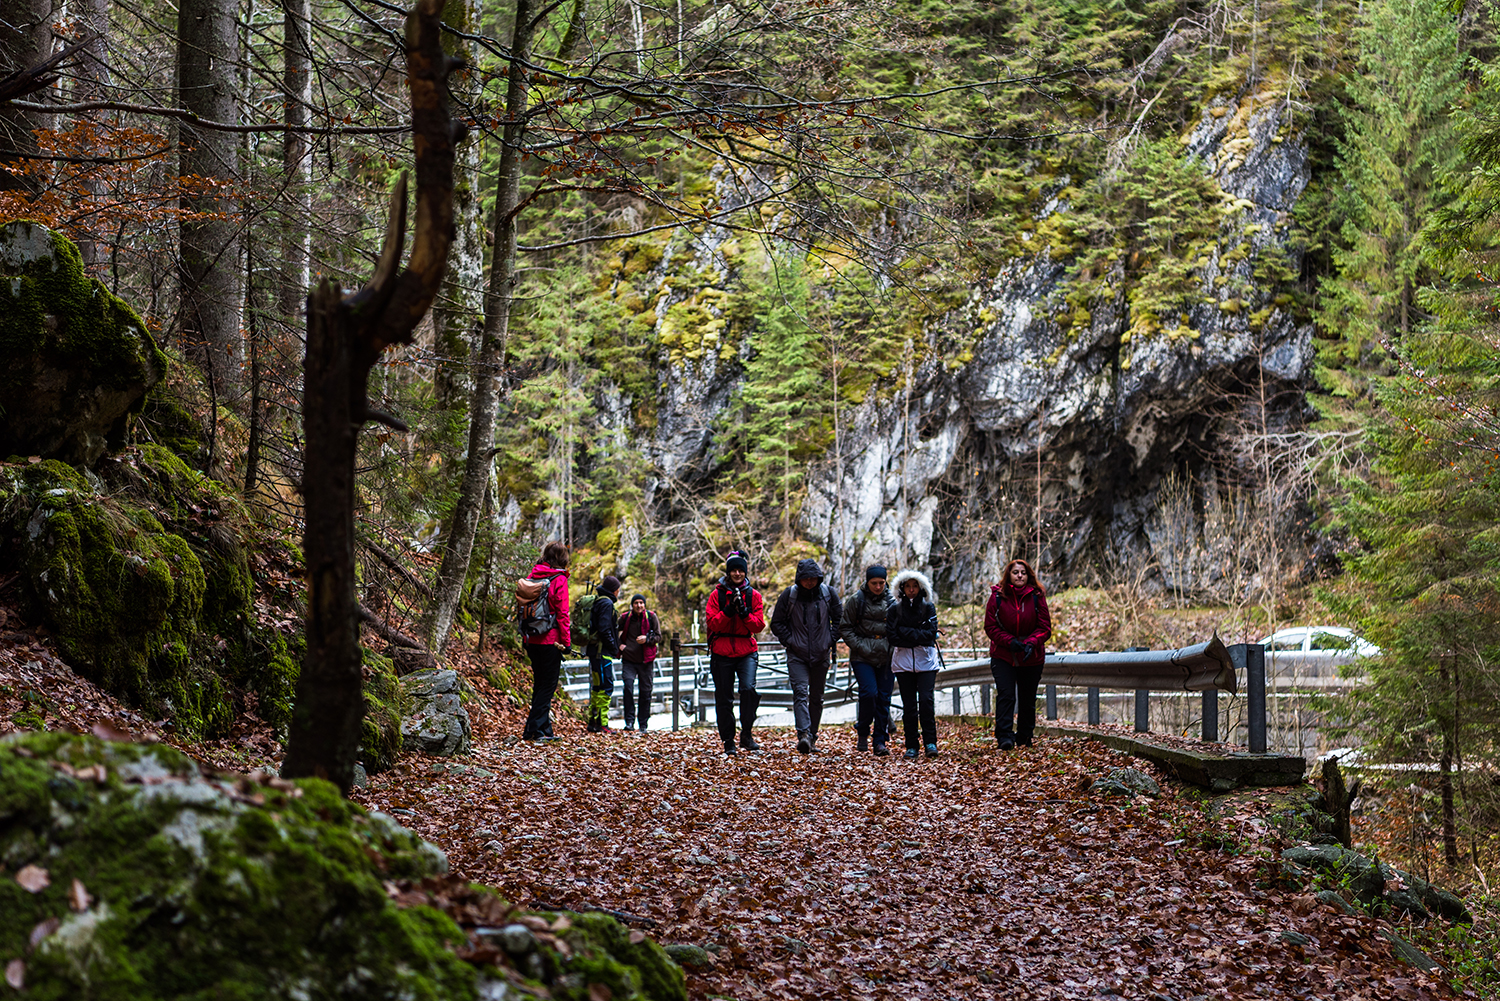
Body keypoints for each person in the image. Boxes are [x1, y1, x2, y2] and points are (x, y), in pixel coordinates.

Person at [770, 559, 842, 754]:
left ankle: (812, 737)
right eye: (805, 578)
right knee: (801, 693)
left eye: (813, 578)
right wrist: (791, 641)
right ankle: (803, 735)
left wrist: (829, 640)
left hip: (821, 654)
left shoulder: (828, 594)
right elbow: (776, 623)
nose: (809, 582)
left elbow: (840, 620)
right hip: (797, 655)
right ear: (799, 579)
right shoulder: (789, 595)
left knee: (817, 697)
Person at [985, 558, 1052, 750]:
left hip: (1031, 654)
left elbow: (1045, 627)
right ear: (1009, 575)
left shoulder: (1037, 596)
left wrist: (1031, 642)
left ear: (1028, 575)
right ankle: (1004, 736)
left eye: (1023, 572)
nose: (1019, 576)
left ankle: (1024, 736)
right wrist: (1009, 642)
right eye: (1015, 572)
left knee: (1027, 697)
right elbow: (990, 626)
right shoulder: (997, 596)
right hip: (1004, 654)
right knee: (1006, 695)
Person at [704, 551, 766, 755]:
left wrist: (745, 613)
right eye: (734, 570)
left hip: (746, 650)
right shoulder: (717, 596)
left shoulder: (753, 595)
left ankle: (746, 734)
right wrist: (729, 610)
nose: (737, 573)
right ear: (728, 572)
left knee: (748, 690)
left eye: (741, 570)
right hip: (721, 651)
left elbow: (758, 626)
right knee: (724, 698)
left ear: (745, 572)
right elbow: (712, 622)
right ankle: (728, 740)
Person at [888, 569, 941, 759]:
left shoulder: (929, 607)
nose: (911, 590)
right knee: (909, 706)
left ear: (921, 588)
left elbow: (931, 634)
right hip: (903, 663)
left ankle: (930, 743)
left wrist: (906, 632)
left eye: (915, 586)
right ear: (902, 588)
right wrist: (916, 635)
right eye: (908, 586)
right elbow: (893, 637)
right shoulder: (894, 609)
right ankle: (911, 745)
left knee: (926, 702)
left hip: (926, 661)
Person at [843, 565, 894, 756]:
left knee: (884, 699)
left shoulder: (892, 600)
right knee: (869, 694)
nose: (878, 586)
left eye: (881, 583)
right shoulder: (856, 600)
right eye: (874, 583)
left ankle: (880, 741)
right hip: (862, 656)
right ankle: (863, 730)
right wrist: (861, 646)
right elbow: (845, 628)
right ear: (867, 582)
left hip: (887, 656)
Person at [521, 541, 570, 742]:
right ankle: (533, 731)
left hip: (532, 638)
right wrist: (566, 643)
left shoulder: (533, 576)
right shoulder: (559, 580)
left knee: (540, 684)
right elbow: (563, 614)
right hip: (550, 640)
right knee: (547, 686)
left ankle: (544, 729)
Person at [617, 593, 661, 732]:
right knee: (628, 688)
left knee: (645, 692)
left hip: (646, 660)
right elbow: (614, 631)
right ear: (632, 605)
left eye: (641, 603)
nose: (639, 605)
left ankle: (643, 724)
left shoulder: (651, 617)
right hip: (629, 659)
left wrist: (647, 638)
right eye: (636, 603)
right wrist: (619, 645)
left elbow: (658, 636)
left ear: (645, 604)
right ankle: (629, 722)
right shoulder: (625, 618)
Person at [585, 575, 621, 732]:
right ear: (615, 590)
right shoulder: (606, 604)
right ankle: (602, 723)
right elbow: (605, 629)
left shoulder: (599, 601)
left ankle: (593, 721)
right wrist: (614, 647)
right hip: (602, 653)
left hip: (595, 652)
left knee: (597, 686)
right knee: (606, 686)